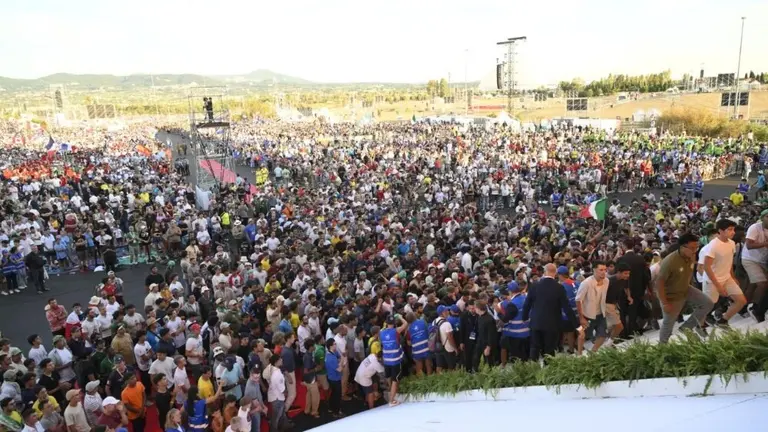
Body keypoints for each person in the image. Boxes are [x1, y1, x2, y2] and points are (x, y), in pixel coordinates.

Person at [656, 233, 714, 343]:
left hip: (686, 288)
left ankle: (687, 327)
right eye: (692, 248)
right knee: (668, 324)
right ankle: (661, 348)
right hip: (671, 296)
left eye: (696, 247)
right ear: (682, 247)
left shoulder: (691, 255)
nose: (695, 250)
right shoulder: (670, 262)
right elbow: (659, 283)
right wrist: (664, 303)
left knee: (707, 303)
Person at [523, 264, 578, 360]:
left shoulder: (534, 285)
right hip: (552, 325)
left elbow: (527, 304)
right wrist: (577, 325)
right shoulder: (559, 288)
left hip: (536, 323)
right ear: (555, 273)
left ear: (544, 272)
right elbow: (567, 308)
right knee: (549, 351)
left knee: (534, 348)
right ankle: (547, 372)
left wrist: (524, 318)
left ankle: (531, 371)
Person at [703, 218, 747, 326]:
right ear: (720, 231)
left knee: (741, 301)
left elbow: (729, 262)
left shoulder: (732, 243)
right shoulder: (713, 245)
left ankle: (723, 321)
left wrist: (733, 277)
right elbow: (706, 267)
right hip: (712, 280)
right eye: (729, 229)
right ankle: (697, 326)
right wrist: (718, 286)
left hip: (727, 278)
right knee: (706, 306)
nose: (733, 232)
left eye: (733, 229)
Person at [575, 261, 610, 354]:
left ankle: (593, 352)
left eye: (605, 270)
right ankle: (579, 354)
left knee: (602, 335)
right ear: (594, 270)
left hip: (600, 313)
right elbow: (578, 300)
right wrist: (581, 318)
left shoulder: (607, 281)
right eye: (601, 270)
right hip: (587, 314)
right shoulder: (586, 283)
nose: (603, 272)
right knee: (582, 335)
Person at [741, 209, 768, 322]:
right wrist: (766, 243)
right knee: (762, 284)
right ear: (762, 218)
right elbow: (749, 245)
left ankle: (742, 307)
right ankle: (755, 307)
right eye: (767, 216)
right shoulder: (755, 227)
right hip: (750, 259)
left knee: (752, 285)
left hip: (763, 260)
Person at [324, 339, 343, 418]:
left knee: (333, 394)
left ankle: (331, 408)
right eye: (335, 344)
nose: (336, 345)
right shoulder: (330, 358)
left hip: (332, 377)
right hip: (334, 379)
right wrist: (342, 363)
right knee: (337, 396)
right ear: (331, 346)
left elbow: (340, 356)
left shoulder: (333, 352)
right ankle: (336, 412)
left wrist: (340, 361)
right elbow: (339, 369)